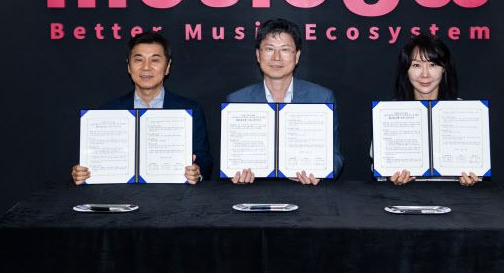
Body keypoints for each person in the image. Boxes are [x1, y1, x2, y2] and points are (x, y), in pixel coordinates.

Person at [71, 32, 213, 185]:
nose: (146, 67)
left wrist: (197, 171)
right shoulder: (107, 113)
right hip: (121, 195)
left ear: (167, 67)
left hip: (176, 195)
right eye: (139, 60)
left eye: (155, 60)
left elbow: (203, 157)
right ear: (129, 66)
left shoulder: (190, 110)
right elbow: (95, 160)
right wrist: (82, 173)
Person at [226, 18, 344, 185]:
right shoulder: (237, 101)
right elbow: (232, 158)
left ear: (297, 56)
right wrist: (236, 173)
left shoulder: (321, 98)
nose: (277, 57)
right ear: (258, 55)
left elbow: (335, 157)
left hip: (306, 192)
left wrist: (322, 171)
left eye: (285, 49)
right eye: (269, 49)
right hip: (256, 192)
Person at [387, 33, 478, 187]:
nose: (425, 74)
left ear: (444, 69)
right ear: (406, 70)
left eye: (432, 65)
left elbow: (476, 161)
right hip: (404, 197)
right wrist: (389, 176)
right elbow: (379, 164)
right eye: (416, 65)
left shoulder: (465, 113)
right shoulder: (388, 114)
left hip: (455, 197)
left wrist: (473, 176)